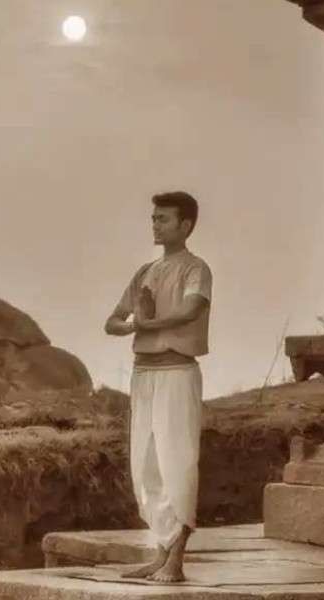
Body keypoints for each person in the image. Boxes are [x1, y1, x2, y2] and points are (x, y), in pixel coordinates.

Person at [104, 191, 212, 583]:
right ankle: (160, 553)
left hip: (176, 371)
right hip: (144, 372)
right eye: (153, 218)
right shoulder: (144, 272)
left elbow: (191, 309)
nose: (155, 224)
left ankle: (177, 561)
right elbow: (113, 321)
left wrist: (148, 323)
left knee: (176, 461)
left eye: (163, 219)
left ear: (185, 225)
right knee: (146, 465)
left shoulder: (196, 268)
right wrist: (135, 324)